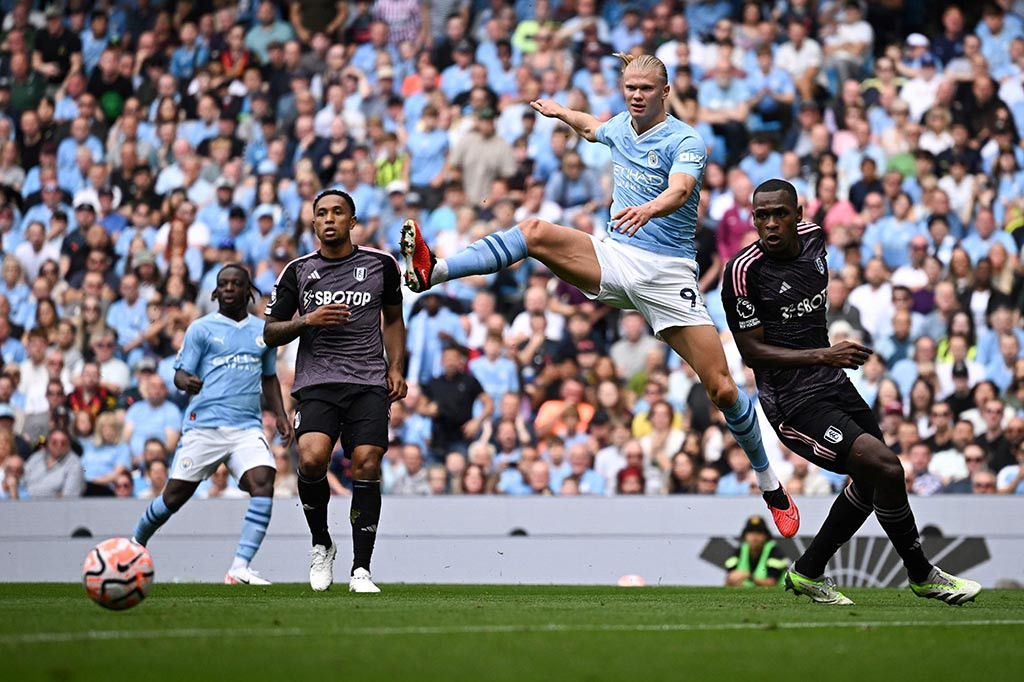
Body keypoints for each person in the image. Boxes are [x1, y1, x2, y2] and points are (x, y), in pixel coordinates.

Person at [399, 52, 799, 537]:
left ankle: (769, 483)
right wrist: (561, 111)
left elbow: (681, 189)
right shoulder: (620, 126)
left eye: (646, 88)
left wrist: (649, 209)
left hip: (667, 274)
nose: (635, 95)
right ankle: (433, 269)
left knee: (723, 389)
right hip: (615, 256)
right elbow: (594, 129)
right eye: (629, 86)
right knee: (534, 232)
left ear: (665, 92)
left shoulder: (685, 139)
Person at [721, 179, 980, 605]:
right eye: (761, 216)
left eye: (779, 214)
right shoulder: (743, 272)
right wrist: (824, 355)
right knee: (888, 468)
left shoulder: (814, 239)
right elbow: (751, 352)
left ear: (798, 215)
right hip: (791, 403)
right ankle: (922, 574)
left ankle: (807, 571)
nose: (770, 224)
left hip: (832, 383)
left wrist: (826, 359)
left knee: (872, 477)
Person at [264, 189, 407, 593]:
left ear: (352, 221)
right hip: (318, 382)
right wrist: (308, 320)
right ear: (313, 223)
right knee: (310, 460)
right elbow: (270, 331)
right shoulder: (297, 271)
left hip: (368, 382)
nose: (329, 219)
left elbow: (394, 320)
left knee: (366, 461)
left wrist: (396, 368)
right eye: (322, 213)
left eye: (338, 212)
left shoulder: (381, 264)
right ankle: (321, 543)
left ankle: (361, 568)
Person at [130, 265, 292, 585]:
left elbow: (270, 377)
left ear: (249, 291)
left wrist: (282, 415)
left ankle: (239, 567)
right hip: (204, 425)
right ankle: (135, 544)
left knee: (263, 480)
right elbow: (180, 372)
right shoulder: (200, 329)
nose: (229, 288)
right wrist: (184, 381)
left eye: (236, 283)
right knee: (173, 497)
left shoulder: (264, 331)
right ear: (215, 292)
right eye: (223, 284)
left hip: (246, 426)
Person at [724, 515, 789, 587]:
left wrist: (748, 576)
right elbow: (729, 579)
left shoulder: (774, 552)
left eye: (759, 532)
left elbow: (771, 583)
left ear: (766, 536)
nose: (755, 536)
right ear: (745, 535)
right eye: (751, 532)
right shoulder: (740, 550)